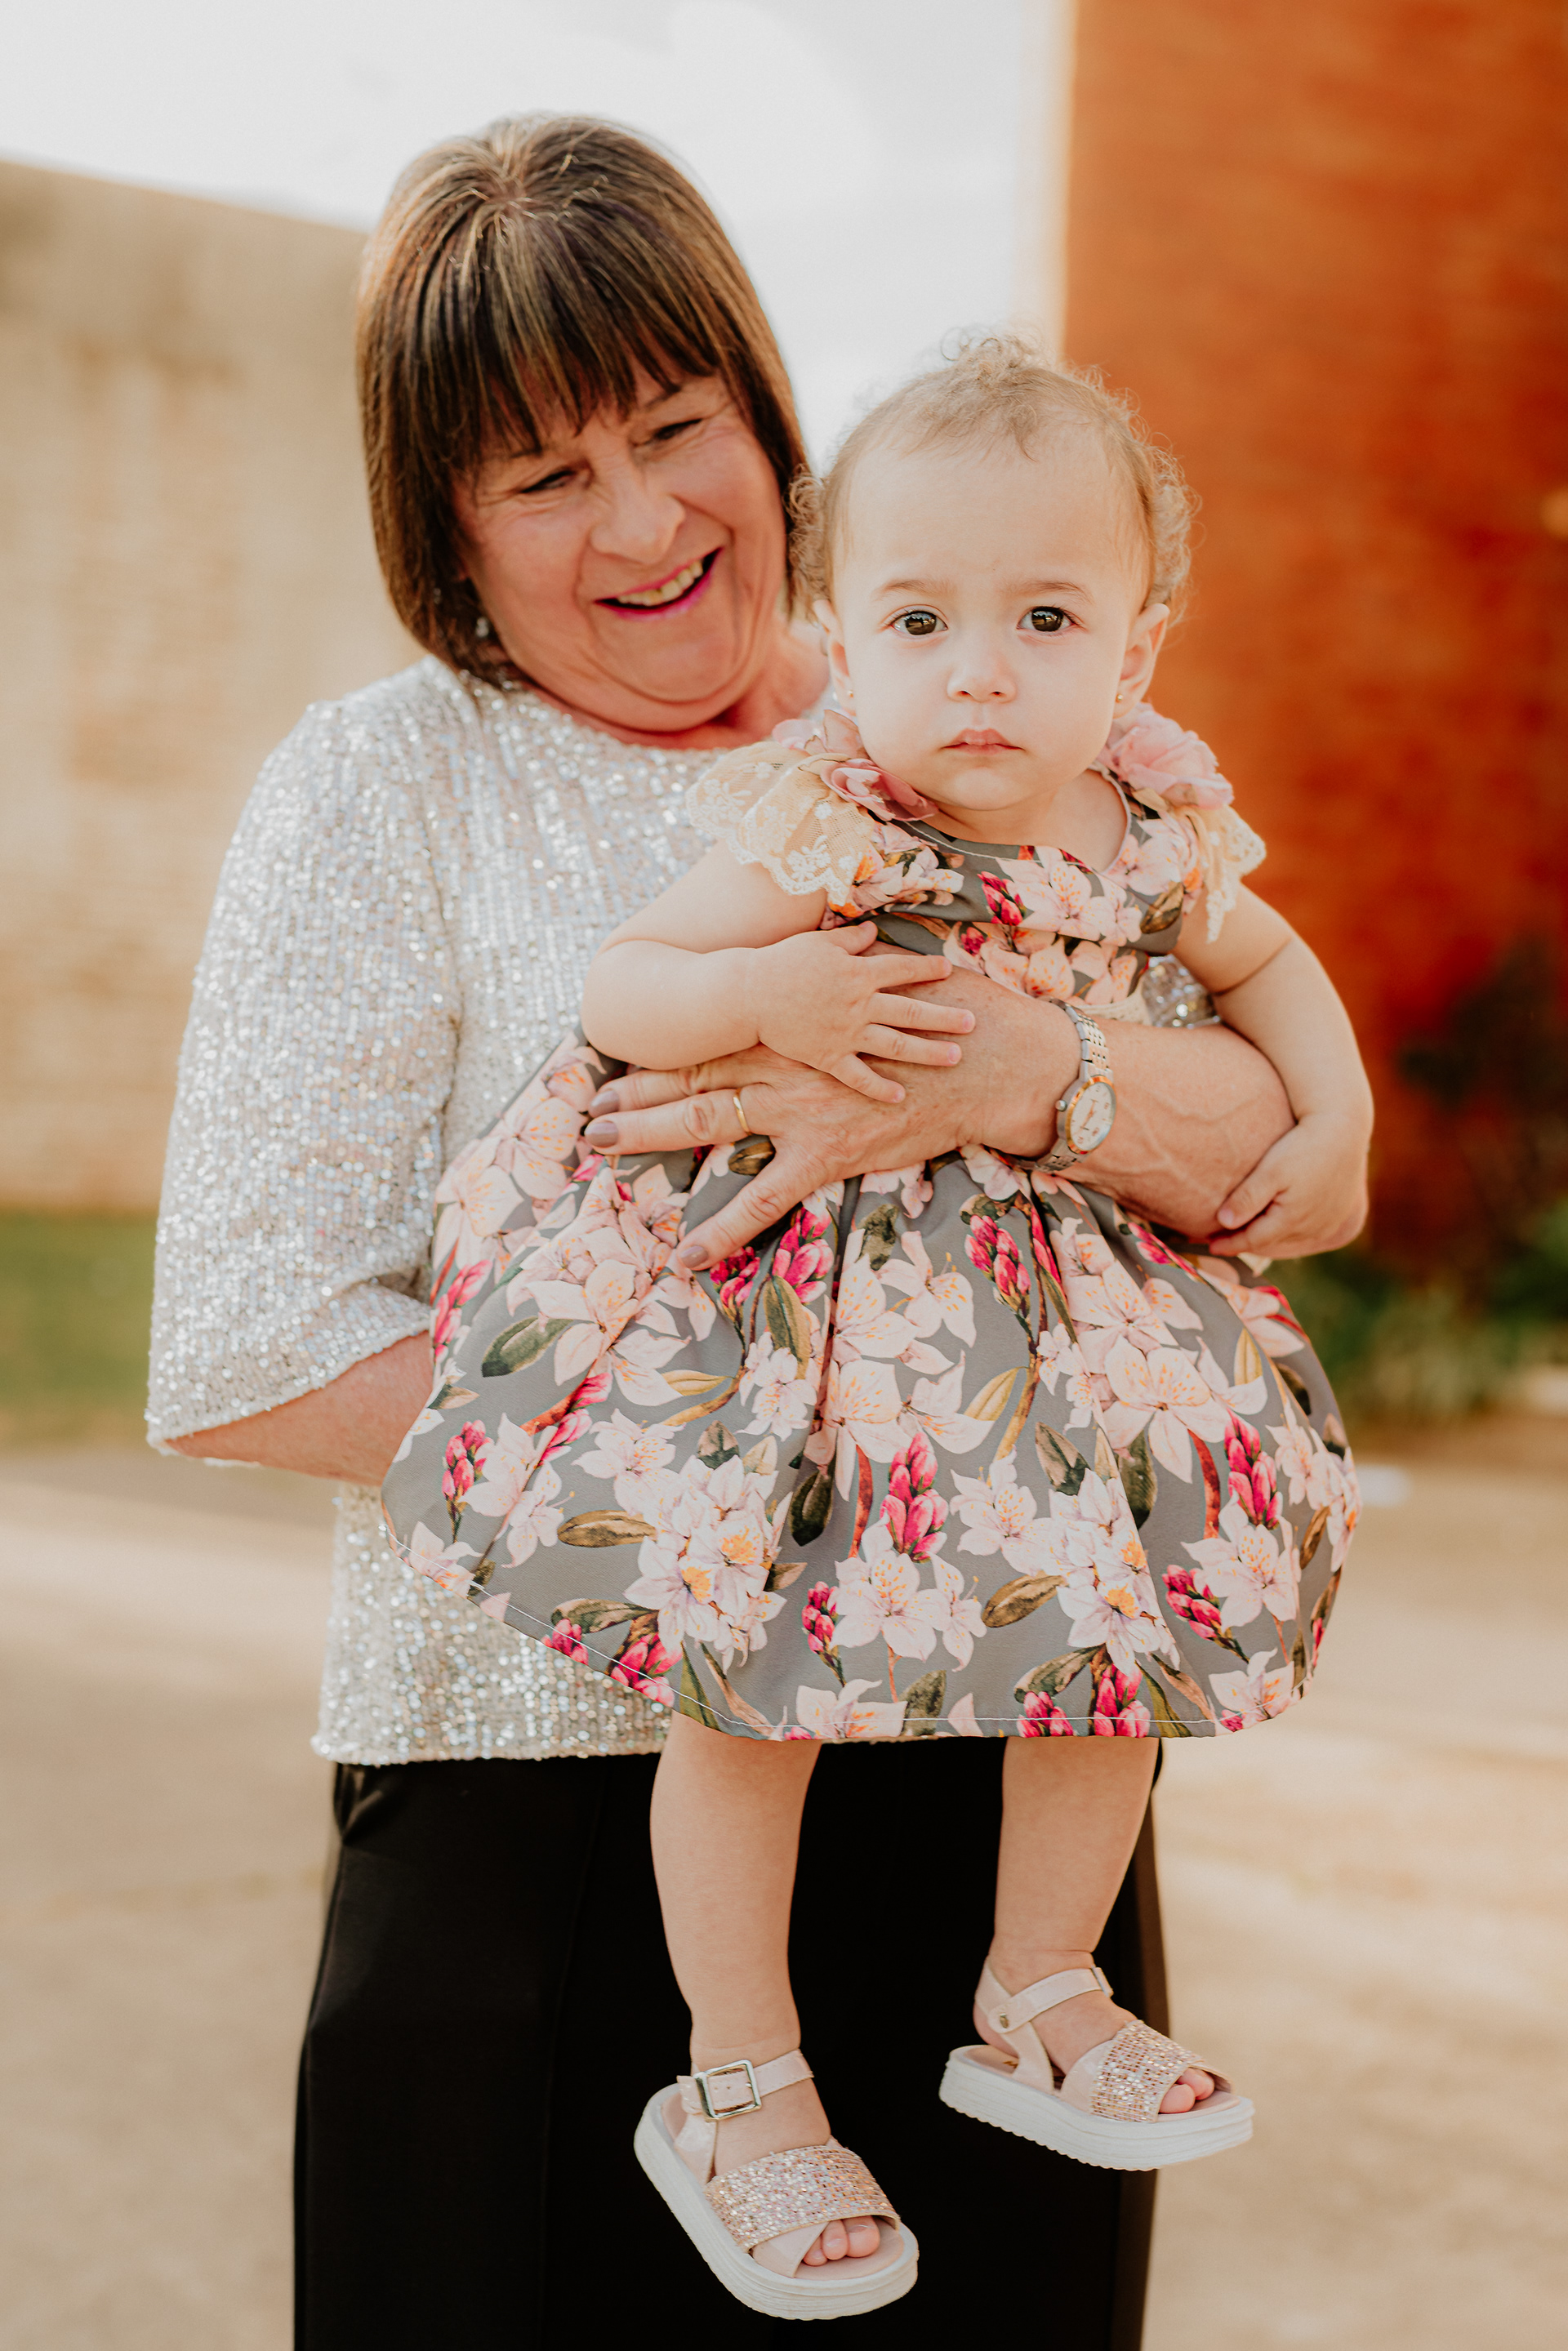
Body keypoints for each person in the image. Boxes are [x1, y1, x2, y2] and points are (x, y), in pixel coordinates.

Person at [146, 117, 1356, 2345]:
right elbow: (247, 1342)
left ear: (768, 417)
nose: (640, 521)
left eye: (675, 426)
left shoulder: (992, 699)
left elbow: (1271, 1139)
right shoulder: (383, 784)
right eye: (543, 474)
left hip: (1006, 1795)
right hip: (543, 1834)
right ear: (443, 524)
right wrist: (767, 1506)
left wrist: (1032, 1077)